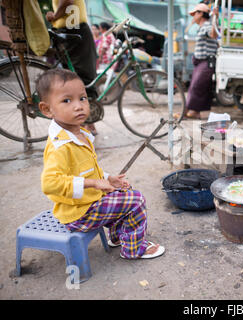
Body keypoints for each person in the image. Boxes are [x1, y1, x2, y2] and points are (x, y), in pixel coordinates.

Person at [37, 69, 165, 259]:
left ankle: (118, 237)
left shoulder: (80, 133)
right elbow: (50, 184)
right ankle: (133, 249)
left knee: (125, 191)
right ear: (47, 109)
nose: (79, 106)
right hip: (78, 213)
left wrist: (107, 179)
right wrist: (95, 184)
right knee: (136, 201)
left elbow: (87, 169)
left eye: (82, 98)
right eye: (67, 101)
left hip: (87, 203)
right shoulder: (60, 146)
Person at [46, 0, 99, 135]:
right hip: (74, 31)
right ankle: (87, 122)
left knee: (72, 77)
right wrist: (55, 16)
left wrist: (54, 16)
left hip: (66, 31)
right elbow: (67, 1)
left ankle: (84, 121)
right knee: (85, 78)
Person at [179, 3, 219, 119]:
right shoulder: (202, 27)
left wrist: (215, 18)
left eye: (194, 14)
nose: (193, 17)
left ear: (201, 14)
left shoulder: (207, 25)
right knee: (197, 87)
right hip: (201, 63)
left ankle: (190, 112)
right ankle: (191, 112)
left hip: (206, 62)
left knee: (196, 87)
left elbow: (213, 34)